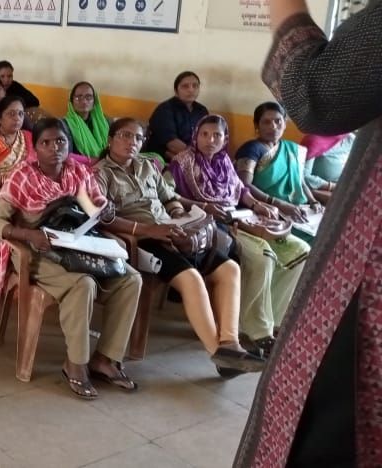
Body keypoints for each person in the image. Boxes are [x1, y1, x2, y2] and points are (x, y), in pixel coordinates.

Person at [236, 1, 382, 466]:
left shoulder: (293, 154)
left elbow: (317, 91)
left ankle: (260, 329)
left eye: (280, 120)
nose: (275, 125)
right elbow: (245, 187)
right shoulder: (251, 152)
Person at [95, 118, 265, 375]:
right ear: (110, 139)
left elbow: (170, 197)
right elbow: (102, 217)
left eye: (138, 138)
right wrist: (147, 230)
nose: (132, 143)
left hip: (171, 231)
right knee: (191, 278)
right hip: (143, 239)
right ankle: (218, 355)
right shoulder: (100, 173)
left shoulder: (147, 167)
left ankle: (231, 343)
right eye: (125, 136)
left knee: (229, 268)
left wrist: (178, 217)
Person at [0, 118, 141, 400]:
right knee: (82, 283)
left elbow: (93, 209)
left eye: (60, 141)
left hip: (76, 246)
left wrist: (103, 213)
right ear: (35, 147)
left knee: (131, 278)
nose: (54, 148)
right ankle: (76, 363)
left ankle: (106, 359)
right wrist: (27, 234)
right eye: (46, 142)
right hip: (38, 251)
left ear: (68, 143)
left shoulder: (78, 173)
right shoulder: (21, 177)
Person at [168, 115, 310, 358]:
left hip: (242, 218)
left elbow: (240, 190)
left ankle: (271, 319)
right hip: (213, 224)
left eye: (217, 135)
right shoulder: (182, 162)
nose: (210, 140)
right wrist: (203, 205)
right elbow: (170, 194)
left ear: (225, 139)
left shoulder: (224, 161)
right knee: (263, 256)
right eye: (204, 134)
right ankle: (258, 331)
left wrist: (257, 204)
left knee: (301, 251)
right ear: (196, 135)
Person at [234, 102, 323, 242]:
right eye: (266, 122)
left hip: (297, 207)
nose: (273, 126)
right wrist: (278, 203)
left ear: (285, 123)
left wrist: (313, 201)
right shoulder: (252, 149)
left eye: (278, 121)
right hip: (267, 210)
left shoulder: (291, 149)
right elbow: (243, 184)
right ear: (257, 125)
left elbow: (299, 180)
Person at [146, 71, 210, 160]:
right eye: (185, 86)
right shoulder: (165, 110)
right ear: (176, 91)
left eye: (195, 86)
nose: (191, 90)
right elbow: (172, 145)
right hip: (162, 158)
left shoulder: (201, 110)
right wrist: (197, 158)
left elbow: (207, 137)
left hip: (192, 157)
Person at [301, 132, 353, 203]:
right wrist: (333, 187)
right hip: (318, 188)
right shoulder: (313, 140)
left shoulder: (350, 139)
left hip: (342, 185)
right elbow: (303, 176)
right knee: (342, 201)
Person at [64, 81, 111, 159]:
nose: (84, 101)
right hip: (79, 167)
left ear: (95, 101)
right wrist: (92, 161)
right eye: (78, 97)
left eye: (88, 97)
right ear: (71, 102)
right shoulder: (65, 124)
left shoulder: (105, 122)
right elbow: (67, 155)